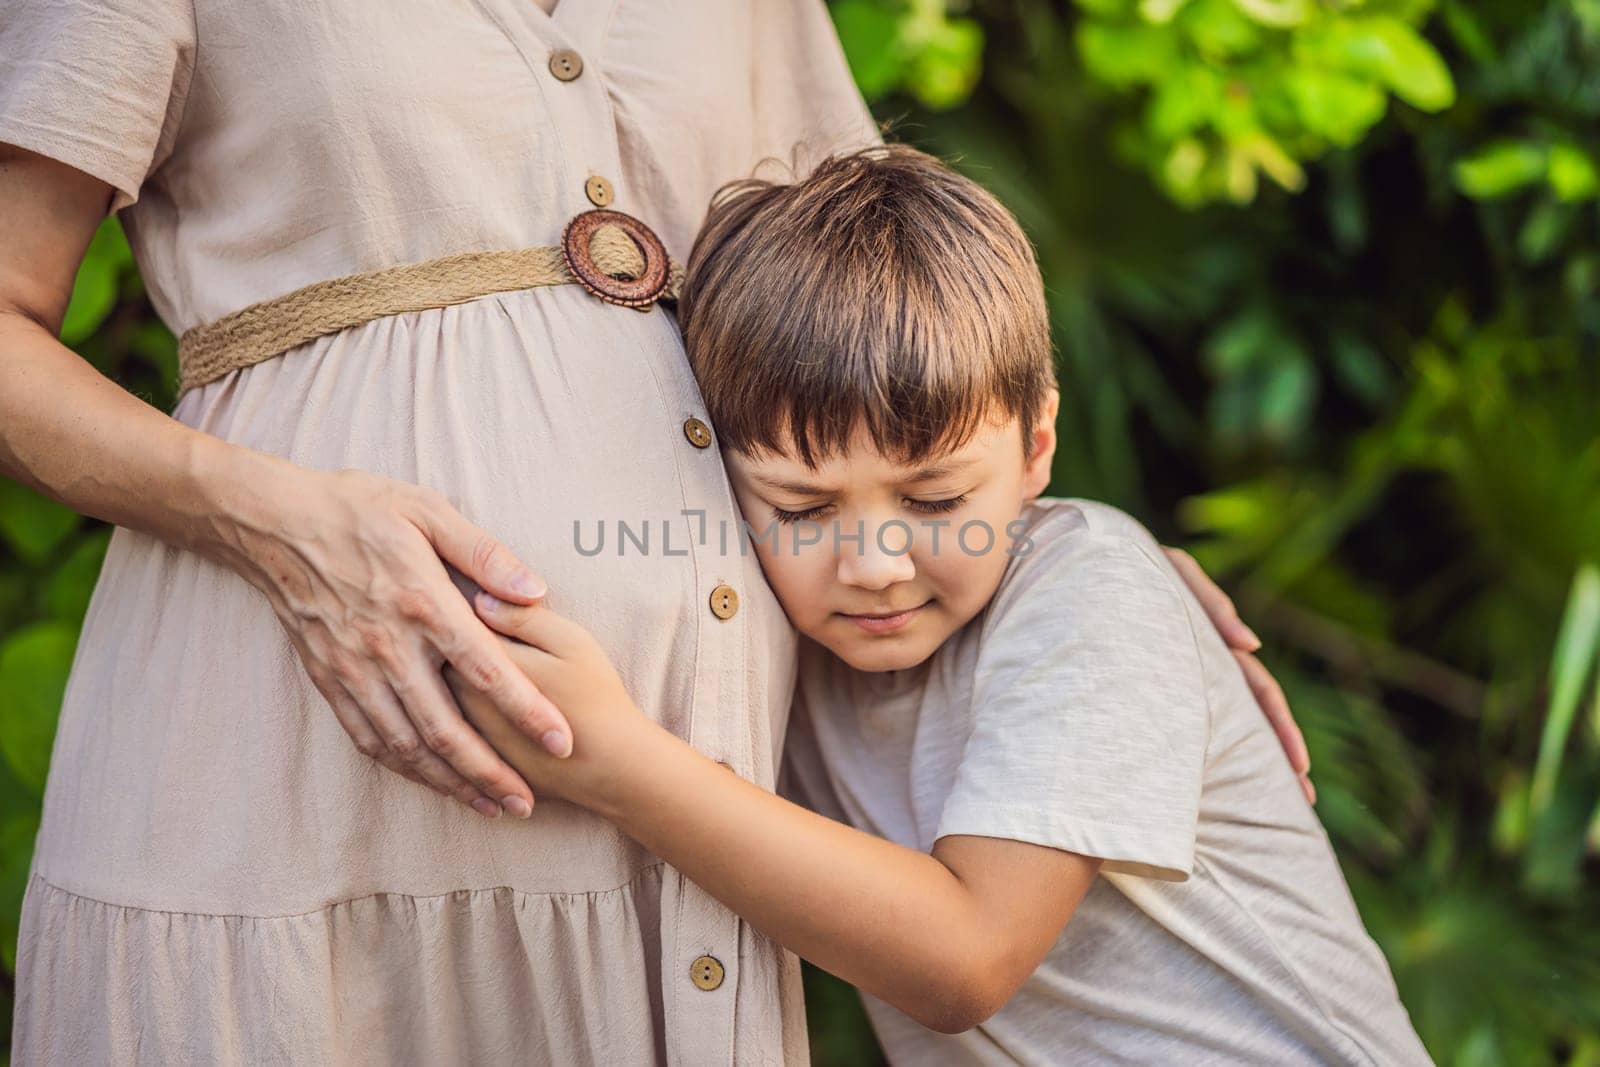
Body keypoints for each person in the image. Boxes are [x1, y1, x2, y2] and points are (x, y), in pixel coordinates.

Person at [0, 3, 1302, 1062]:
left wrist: (1062, 557)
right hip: (290, 741)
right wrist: (280, 520)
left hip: (666, 818)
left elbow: (885, 311)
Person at [447, 144, 1429, 1065]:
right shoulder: (761, 643)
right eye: (801, 506)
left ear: (1037, 446)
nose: (874, 563)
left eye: (934, 499)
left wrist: (615, 758)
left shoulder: (1088, 593)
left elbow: (967, 956)